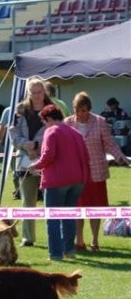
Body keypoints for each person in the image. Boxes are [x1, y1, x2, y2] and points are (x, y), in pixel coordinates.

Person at [65, 91, 130, 251]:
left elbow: (109, 144)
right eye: (78, 110)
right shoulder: (67, 123)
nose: (81, 114)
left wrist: (122, 157)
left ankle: (94, 240)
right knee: (77, 209)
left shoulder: (100, 122)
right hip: (76, 174)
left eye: (84, 110)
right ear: (74, 109)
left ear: (89, 109)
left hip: (96, 173)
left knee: (95, 208)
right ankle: (79, 240)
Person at [28, 104, 90, 261]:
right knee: (69, 216)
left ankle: (55, 254)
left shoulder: (51, 131)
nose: (44, 125)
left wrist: (34, 165)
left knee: (53, 218)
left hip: (56, 181)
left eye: (44, 122)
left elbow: (48, 155)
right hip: (78, 180)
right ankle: (69, 250)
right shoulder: (76, 133)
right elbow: (85, 156)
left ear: (48, 119)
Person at [9, 77, 52, 246]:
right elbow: (13, 133)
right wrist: (25, 145)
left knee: (51, 201)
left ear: (44, 92)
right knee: (27, 201)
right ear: (28, 93)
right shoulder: (19, 109)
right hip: (24, 160)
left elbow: (57, 131)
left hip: (48, 160)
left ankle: (53, 238)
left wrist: (38, 146)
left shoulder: (52, 109)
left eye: (39, 92)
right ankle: (28, 237)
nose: (36, 95)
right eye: (32, 92)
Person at [0, 105, 20, 199]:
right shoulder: (8, 111)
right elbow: (2, 127)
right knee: (14, 170)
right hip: (12, 145)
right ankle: (18, 191)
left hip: (27, 145)